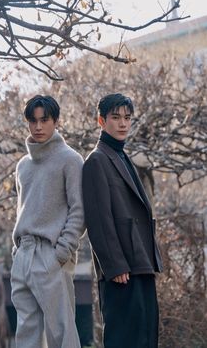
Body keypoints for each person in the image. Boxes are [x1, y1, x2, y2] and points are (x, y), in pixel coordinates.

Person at [82, 93, 163, 348]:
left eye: (127, 118)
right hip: (121, 269)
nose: (122, 124)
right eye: (115, 117)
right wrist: (115, 266)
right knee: (125, 339)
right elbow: (98, 219)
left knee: (146, 337)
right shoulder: (96, 160)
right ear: (101, 121)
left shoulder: (121, 156)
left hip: (141, 262)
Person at [11, 95, 84, 348]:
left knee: (61, 334)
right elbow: (23, 208)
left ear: (56, 121)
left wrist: (61, 252)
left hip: (51, 254)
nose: (38, 127)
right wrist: (17, 252)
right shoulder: (22, 166)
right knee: (26, 334)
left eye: (45, 120)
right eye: (33, 121)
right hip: (23, 255)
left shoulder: (71, 160)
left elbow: (79, 211)